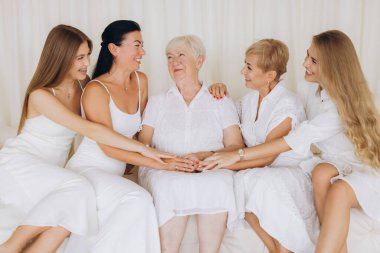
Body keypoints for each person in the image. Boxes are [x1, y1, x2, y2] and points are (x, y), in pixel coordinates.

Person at [202, 30, 380, 253]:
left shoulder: (335, 112)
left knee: (339, 191)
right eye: (307, 55)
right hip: (334, 164)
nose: (304, 62)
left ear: (332, 67)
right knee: (321, 173)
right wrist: (220, 90)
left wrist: (237, 155)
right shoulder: (310, 91)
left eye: (313, 60)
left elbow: (290, 141)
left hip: (362, 170)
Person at [0, 24, 170, 253]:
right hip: (21, 164)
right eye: (79, 58)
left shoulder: (84, 85)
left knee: (73, 210)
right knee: (78, 188)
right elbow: (92, 130)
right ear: (61, 58)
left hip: (53, 171)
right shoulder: (40, 96)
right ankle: (11, 247)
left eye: (87, 56)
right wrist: (145, 151)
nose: (86, 63)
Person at [64, 20, 178, 253]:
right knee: (139, 200)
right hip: (89, 170)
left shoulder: (140, 80)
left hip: (116, 172)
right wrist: (162, 163)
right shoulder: (96, 90)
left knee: (137, 205)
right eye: (136, 45)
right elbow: (109, 149)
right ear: (114, 49)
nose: (142, 52)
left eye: (142, 45)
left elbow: (142, 133)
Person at [137, 35, 244, 253]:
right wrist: (172, 162)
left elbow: (235, 146)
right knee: (169, 185)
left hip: (210, 169)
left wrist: (203, 156)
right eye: (169, 56)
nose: (174, 61)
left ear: (200, 61)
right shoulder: (158, 102)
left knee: (219, 184)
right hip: (164, 170)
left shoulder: (220, 99)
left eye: (181, 55)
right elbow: (143, 145)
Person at [216, 38, 317, 253]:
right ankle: (279, 250)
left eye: (249, 67)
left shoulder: (288, 106)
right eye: (245, 64)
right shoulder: (249, 100)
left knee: (255, 180)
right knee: (242, 182)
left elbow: (267, 157)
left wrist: (221, 163)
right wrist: (220, 91)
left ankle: (285, 248)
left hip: (288, 175)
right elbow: (230, 127)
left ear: (270, 75)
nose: (243, 71)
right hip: (259, 173)